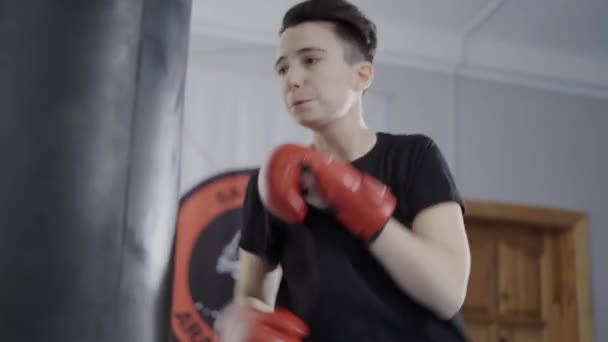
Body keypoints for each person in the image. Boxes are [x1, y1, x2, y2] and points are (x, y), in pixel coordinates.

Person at [215, 0, 471, 341]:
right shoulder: (271, 180)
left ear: (362, 74)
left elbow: (449, 293)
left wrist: (360, 206)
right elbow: (250, 293)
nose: (292, 79)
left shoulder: (414, 156)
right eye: (282, 68)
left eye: (310, 60)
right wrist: (241, 324)